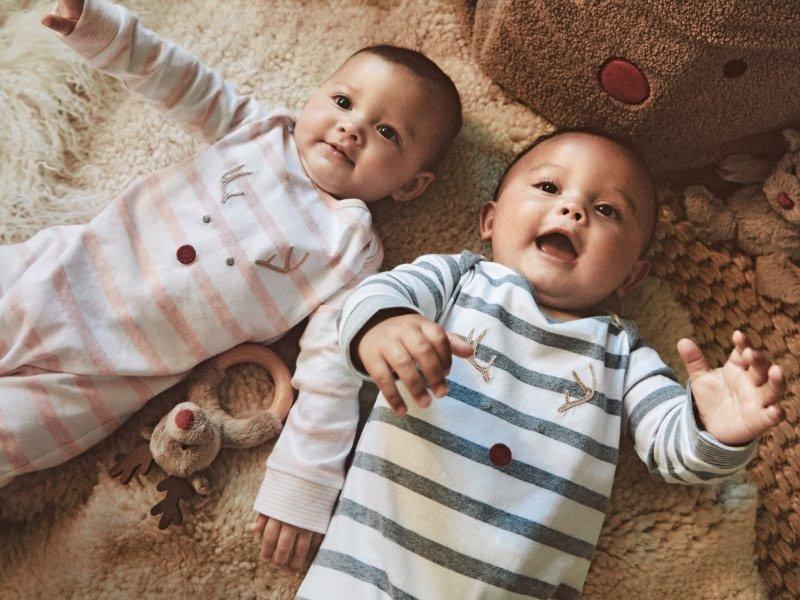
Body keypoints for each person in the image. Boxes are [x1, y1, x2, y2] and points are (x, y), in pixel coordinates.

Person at [272, 129, 786, 597]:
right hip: (365, 573)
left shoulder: (622, 354)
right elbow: (372, 297)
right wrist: (384, 328)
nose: (574, 210)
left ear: (632, 275)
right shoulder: (458, 280)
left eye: (608, 211)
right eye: (548, 187)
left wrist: (717, 429)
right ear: (490, 221)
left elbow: (672, 452)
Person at [0, 0, 461, 497]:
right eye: (344, 103)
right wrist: (104, 32)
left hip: (109, 376)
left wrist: (305, 475)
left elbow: (329, 364)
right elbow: (181, 80)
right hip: (57, 274)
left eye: (387, 133)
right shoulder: (256, 131)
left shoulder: (350, 252)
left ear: (412, 187)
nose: (353, 128)